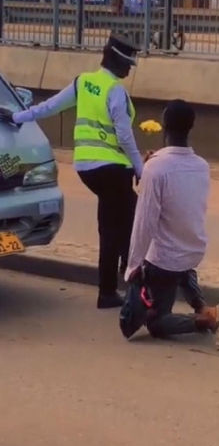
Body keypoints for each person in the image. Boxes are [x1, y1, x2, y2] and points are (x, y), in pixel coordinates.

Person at [0, 34, 143, 309]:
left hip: (87, 168)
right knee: (131, 224)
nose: (129, 70)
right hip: (113, 168)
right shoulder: (115, 90)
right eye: (127, 64)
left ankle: (107, 292)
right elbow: (124, 135)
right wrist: (141, 168)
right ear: (115, 60)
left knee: (111, 226)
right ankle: (134, 288)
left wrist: (17, 117)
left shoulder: (83, 82)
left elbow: (50, 106)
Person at [125, 99, 219, 350]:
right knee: (183, 267)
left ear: (164, 126)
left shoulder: (156, 168)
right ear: (191, 127)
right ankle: (202, 305)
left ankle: (206, 319)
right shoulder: (201, 166)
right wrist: (152, 164)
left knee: (156, 323)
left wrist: (133, 264)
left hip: (165, 261)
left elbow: (145, 222)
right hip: (192, 250)